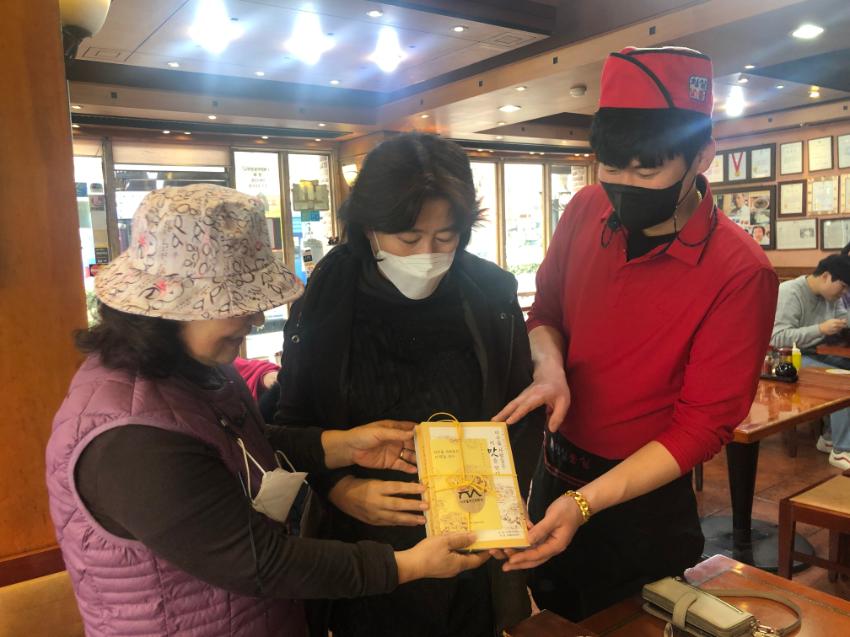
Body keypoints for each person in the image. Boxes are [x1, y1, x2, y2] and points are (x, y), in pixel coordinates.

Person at [46, 184, 488, 637]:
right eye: (239, 304)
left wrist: (340, 446)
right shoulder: (131, 440)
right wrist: (406, 565)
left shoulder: (194, 370)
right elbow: (261, 562)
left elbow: (237, 448)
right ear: (175, 305)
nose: (256, 318)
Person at [493, 46, 779, 621]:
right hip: (554, 471)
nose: (623, 185)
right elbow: (545, 312)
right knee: (548, 617)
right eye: (610, 166)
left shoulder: (740, 270)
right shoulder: (585, 208)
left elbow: (703, 425)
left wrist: (585, 504)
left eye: (646, 171)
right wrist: (550, 368)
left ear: (702, 157)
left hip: (641, 504)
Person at [274, 133, 543, 637]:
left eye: (446, 237)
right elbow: (289, 425)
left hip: (470, 545)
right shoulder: (328, 298)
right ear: (370, 228)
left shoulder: (489, 293)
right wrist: (339, 489)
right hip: (363, 551)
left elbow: (521, 412)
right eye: (408, 238)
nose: (428, 254)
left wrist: (507, 506)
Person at [771, 254, 850, 469]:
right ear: (825, 276)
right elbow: (777, 338)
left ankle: (829, 437)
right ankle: (842, 450)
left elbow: (843, 319)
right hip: (787, 360)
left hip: (814, 353)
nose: (844, 293)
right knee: (843, 382)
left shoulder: (831, 297)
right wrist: (820, 329)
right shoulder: (790, 292)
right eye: (843, 287)